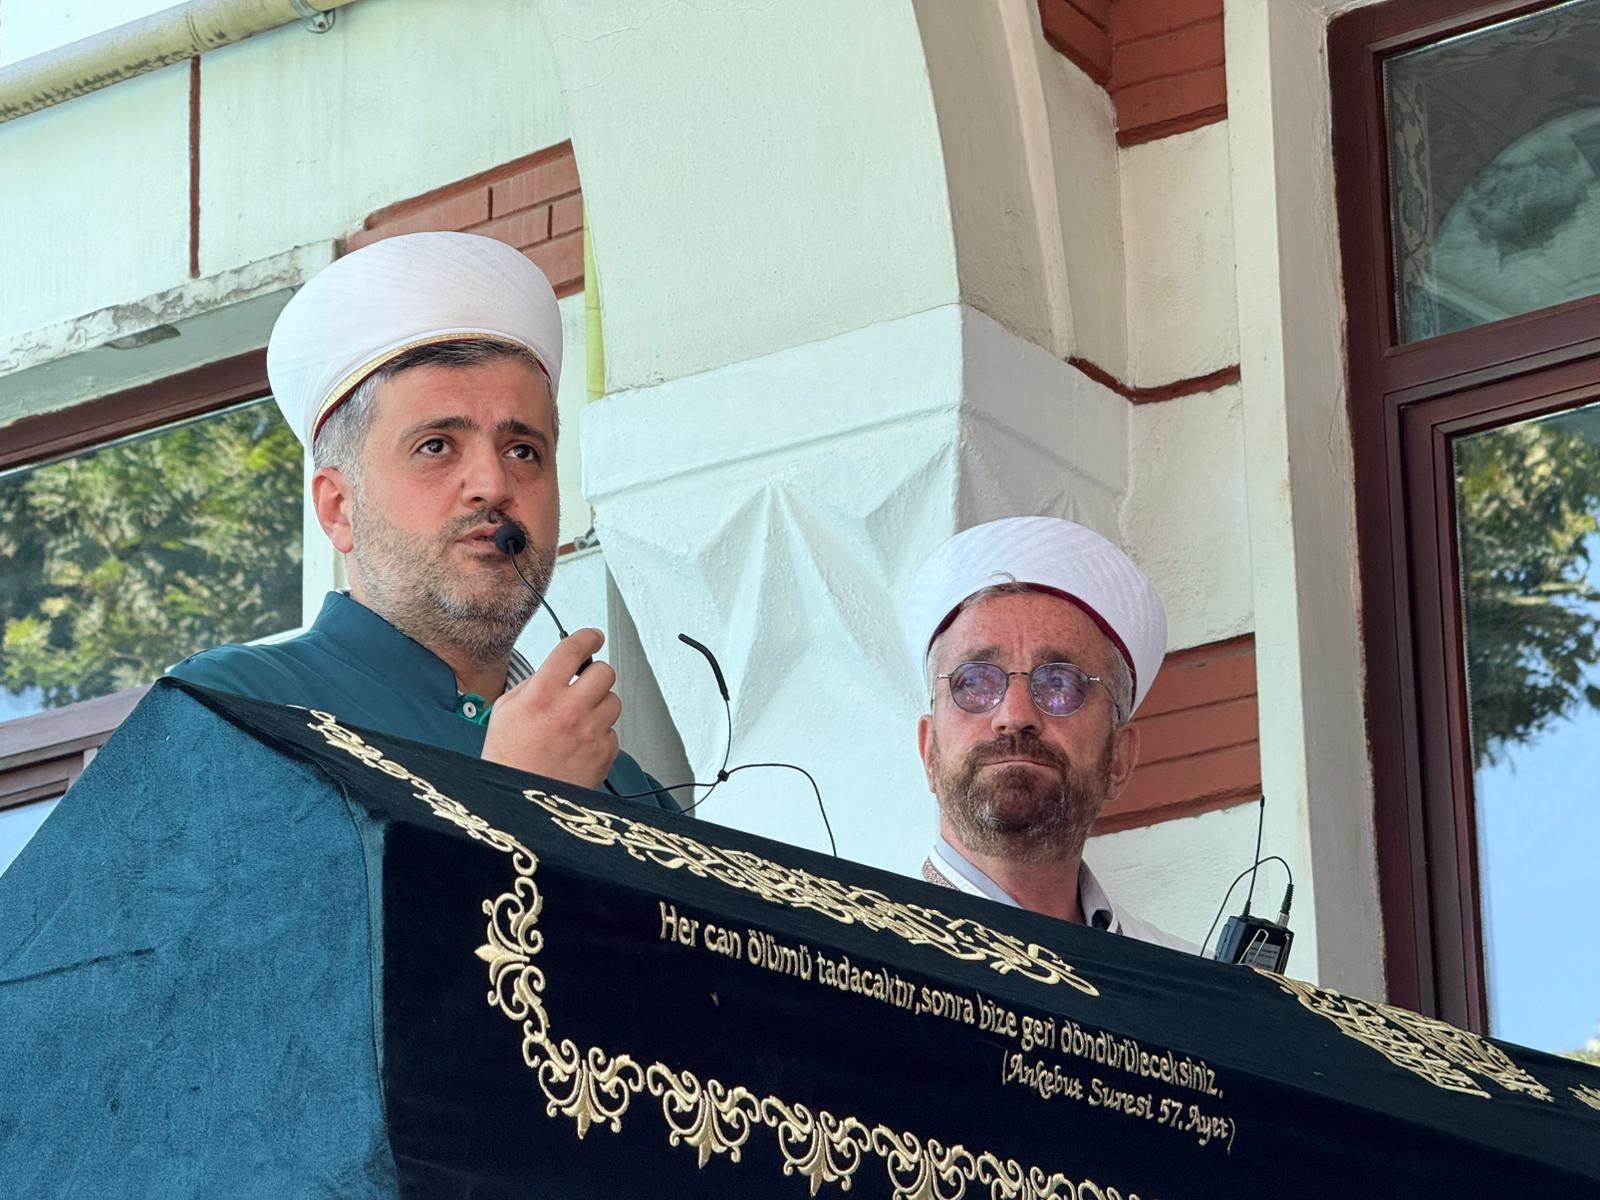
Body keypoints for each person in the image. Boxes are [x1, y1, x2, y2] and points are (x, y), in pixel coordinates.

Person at [171, 231, 673, 809]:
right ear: (338, 508)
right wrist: (521, 794)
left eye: (522, 451)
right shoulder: (230, 708)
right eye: (436, 446)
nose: (493, 485)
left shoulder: (628, 787)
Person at [903, 516, 1193, 950]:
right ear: (929, 751)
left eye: (1060, 683)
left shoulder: (1189, 982)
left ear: (1119, 757)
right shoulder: (840, 959)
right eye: (975, 682)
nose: (1015, 715)